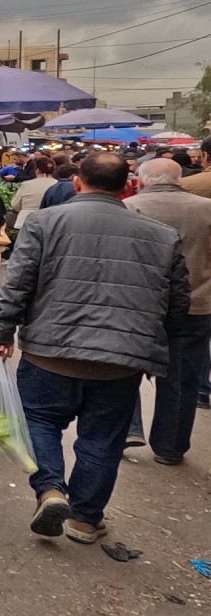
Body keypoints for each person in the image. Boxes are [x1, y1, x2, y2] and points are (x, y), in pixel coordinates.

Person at [0, 152, 188, 544]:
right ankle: (85, 518)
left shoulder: (46, 222)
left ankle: (49, 489)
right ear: (128, 186)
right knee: (102, 438)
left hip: (50, 352)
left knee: (41, 422)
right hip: (119, 362)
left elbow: (18, 282)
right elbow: (176, 305)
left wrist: (3, 330)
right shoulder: (163, 236)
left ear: (78, 181)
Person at [122, 159, 211, 465]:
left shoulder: (130, 207)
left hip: (138, 305)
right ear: (180, 177)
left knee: (124, 370)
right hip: (196, 304)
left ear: (142, 179)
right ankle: (170, 446)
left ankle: (126, 430)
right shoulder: (205, 208)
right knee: (182, 377)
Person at [8, 156, 57, 226]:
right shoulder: (57, 184)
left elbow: (15, 204)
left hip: (26, 220)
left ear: (37, 170)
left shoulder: (26, 184)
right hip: (50, 221)